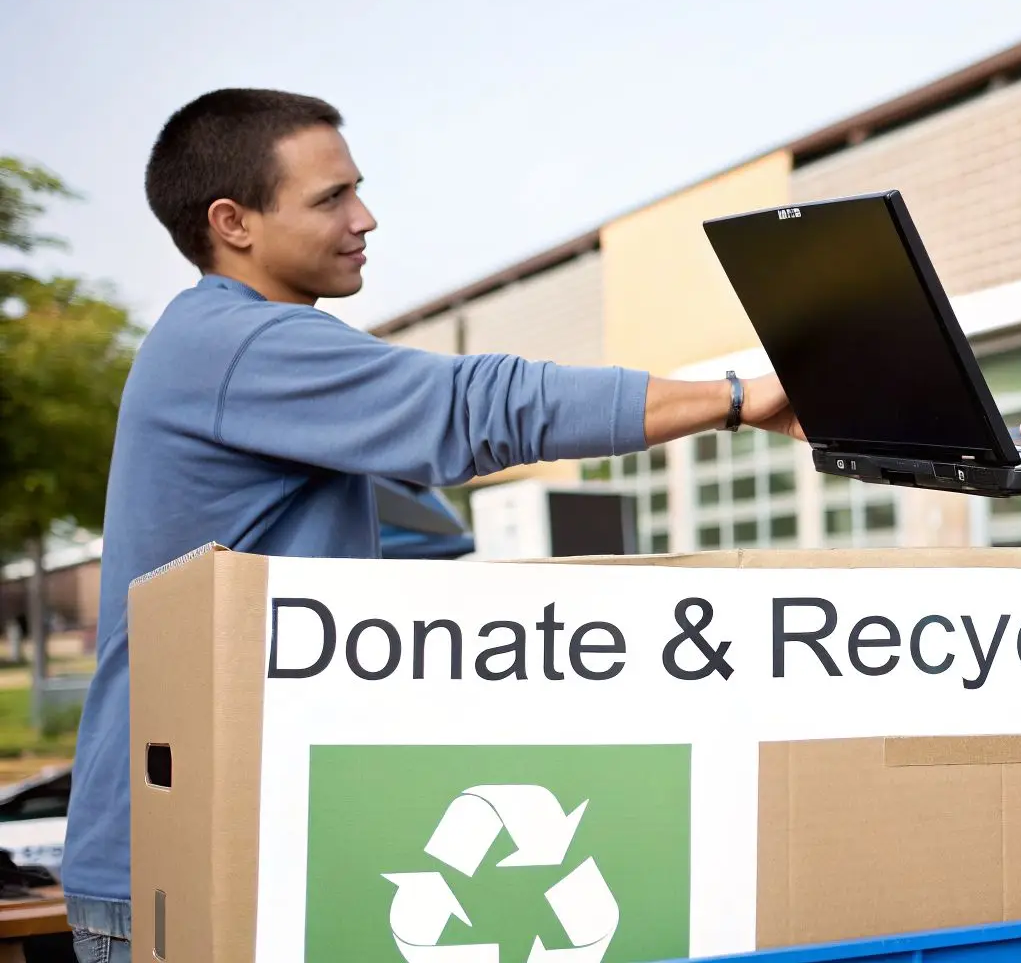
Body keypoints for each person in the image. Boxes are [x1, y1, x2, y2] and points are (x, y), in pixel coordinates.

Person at [60, 88, 803, 959]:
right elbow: (475, 407)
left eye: (357, 189)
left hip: (229, 850)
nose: (365, 218)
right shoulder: (236, 346)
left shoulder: (240, 352)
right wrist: (734, 398)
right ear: (233, 223)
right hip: (176, 874)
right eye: (330, 197)